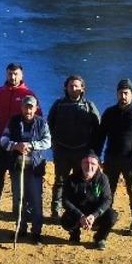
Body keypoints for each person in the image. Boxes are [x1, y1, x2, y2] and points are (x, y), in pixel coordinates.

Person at [96, 78, 132, 237]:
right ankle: (105, 218)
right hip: (111, 159)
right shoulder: (109, 113)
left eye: (126, 93)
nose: (123, 96)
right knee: (107, 192)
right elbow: (100, 136)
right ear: (117, 94)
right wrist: (97, 156)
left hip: (131, 160)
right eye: (120, 93)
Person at [0, 63, 40, 211]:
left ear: (21, 75)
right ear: (6, 74)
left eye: (16, 74)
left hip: (20, 145)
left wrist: (31, 142)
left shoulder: (28, 94)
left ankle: (19, 209)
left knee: (18, 178)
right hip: (0, 142)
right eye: (10, 74)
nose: (12, 77)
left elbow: (39, 118)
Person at [47, 75, 101, 219]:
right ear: (66, 87)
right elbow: (49, 124)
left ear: (83, 88)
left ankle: (78, 209)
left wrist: (93, 152)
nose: (74, 89)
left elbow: (98, 129)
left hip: (82, 151)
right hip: (62, 150)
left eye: (77, 86)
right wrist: (53, 143)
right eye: (71, 86)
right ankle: (56, 209)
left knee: (79, 182)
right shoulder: (58, 105)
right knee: (60, 181)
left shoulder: (89, 106)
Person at [0, 95, 52, 243]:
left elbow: (48, 142)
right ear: (22, 107)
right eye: (26, 107)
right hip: (18, 168)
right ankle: (20, 228)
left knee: (36, 200)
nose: (28, 110)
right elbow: (3, 140)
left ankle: (36, 232)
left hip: (34, 168)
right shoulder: (13, 121)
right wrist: (16, 145)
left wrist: (32, 145)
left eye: (31, 107)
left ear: (36, 108)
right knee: (18, 200)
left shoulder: (42, 123)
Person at [59, 152, 118, 249]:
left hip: (95, 213)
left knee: (112, 216)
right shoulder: (71, 179)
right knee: (66, 220)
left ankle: (100, 238)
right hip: (79, 213)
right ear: (81, 164)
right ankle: (75, 234)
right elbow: (65, 201)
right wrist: (80, 216)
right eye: (86, 163)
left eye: (93, 164)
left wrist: (94, 215)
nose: (89, 166)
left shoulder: (103, 179)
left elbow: (107, 199)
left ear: (98, 166)